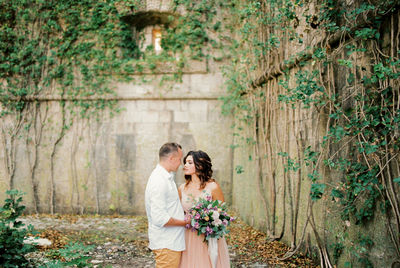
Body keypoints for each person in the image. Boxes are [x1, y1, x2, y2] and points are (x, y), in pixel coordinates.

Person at [178, 150, 230, 268]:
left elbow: (222, 212)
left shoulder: (213, 187)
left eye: (189, 162)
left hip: (208, 237)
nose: (185, 165)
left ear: (200, 165)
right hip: (188, 236)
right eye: (185, 162)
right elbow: (178, 213)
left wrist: (209, 221)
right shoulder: (182, 188)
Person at [145, 142, 189, 268]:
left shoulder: (166, 177)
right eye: (180, 159)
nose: (181, 163)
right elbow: (159, 218)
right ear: (171, 158)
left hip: (171, 241)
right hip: (166, 243)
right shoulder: (159, 180)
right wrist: (185, 222)